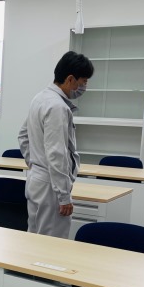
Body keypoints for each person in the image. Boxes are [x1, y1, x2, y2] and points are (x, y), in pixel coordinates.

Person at [18, 51, 94, 238]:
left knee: (34, 237)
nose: (84, 87)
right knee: (52, 244)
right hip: (51, 186)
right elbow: (57, 153)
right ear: (70, 79)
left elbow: (23, 136)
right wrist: (64, 195)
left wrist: (35, 164)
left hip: (37, 180)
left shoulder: (40, 98)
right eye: (83, 82)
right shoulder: (57, 107)